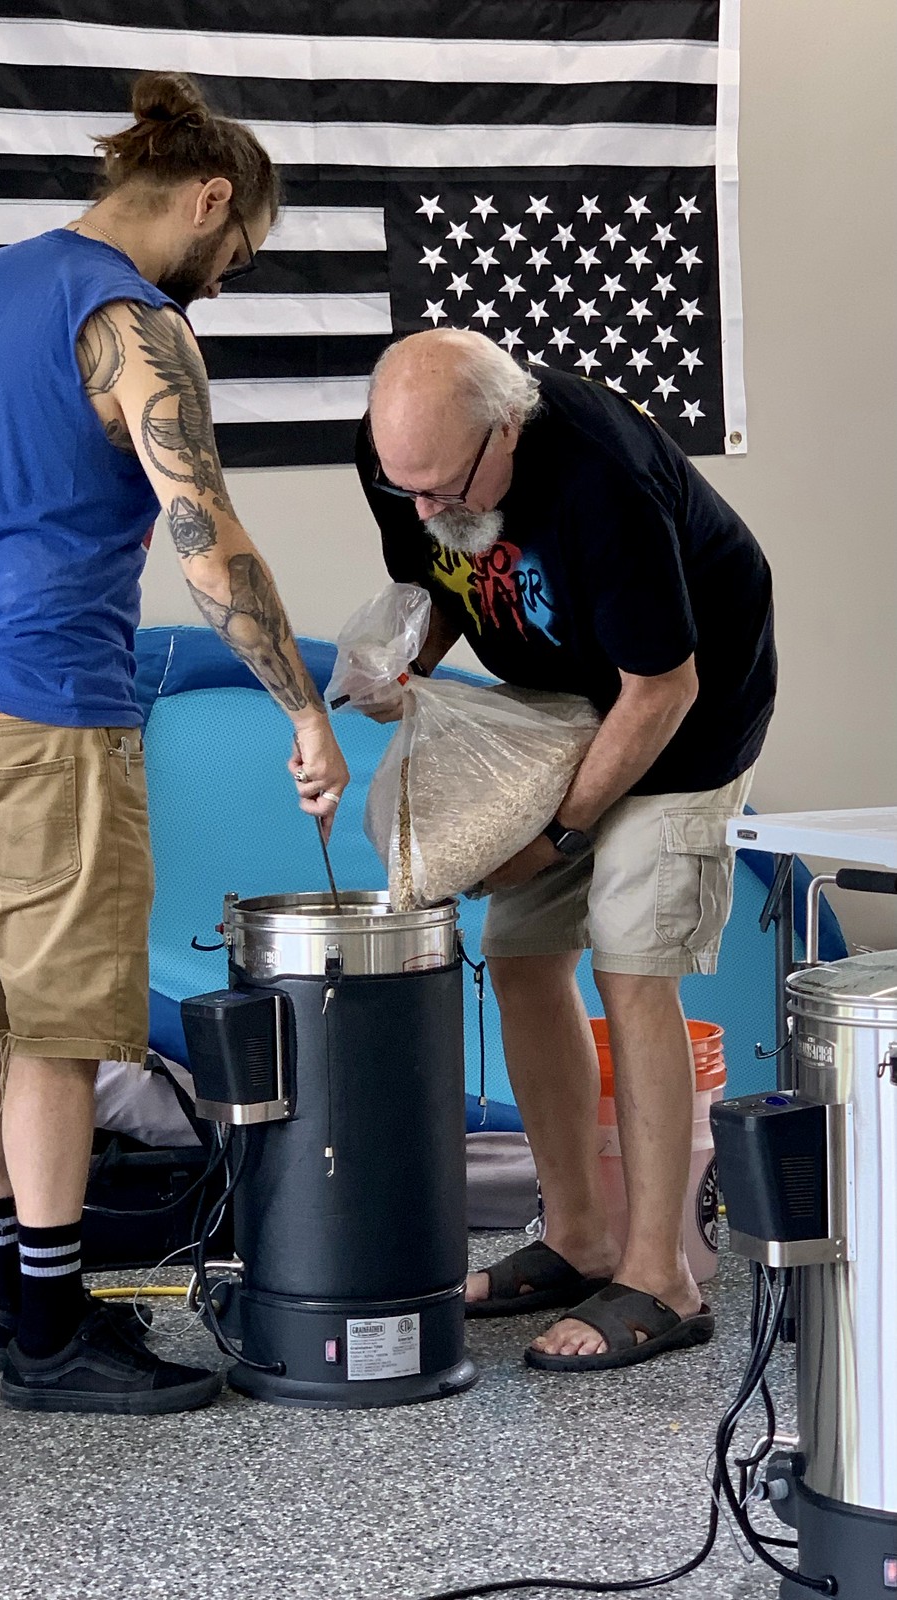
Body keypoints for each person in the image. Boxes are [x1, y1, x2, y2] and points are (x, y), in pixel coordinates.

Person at [0, 71, 348, 1415]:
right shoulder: (132, 322)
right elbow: (208, 538)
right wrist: (302, 709)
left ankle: (11, 1307)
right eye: (237, 249)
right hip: (42, 714)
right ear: (207, 198)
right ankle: (54, 1333)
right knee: (60, 1032)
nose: (226, 278)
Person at [355, 329, 775, 1373]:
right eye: (403, 487)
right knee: (521, 955)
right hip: (557, 709)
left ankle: (662, 1278)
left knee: (633, 965)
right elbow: (443, 586)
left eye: (442, 485)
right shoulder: (408, 459)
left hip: (685, 715)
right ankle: (579, 1237)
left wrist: (555, 837)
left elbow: (662, 687)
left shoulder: (600, 476)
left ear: (506, 430)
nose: (421, 509)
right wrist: (402, 665)